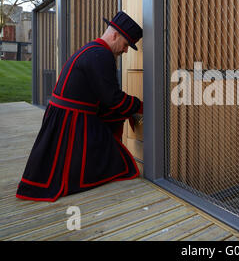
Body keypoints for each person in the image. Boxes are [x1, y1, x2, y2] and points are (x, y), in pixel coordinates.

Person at [16, 11, 144, 202]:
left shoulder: (93, 49)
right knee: (123, 163)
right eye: (126, 45)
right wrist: (141, 106)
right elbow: (113, 99)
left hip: (62, 117)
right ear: (115, 34)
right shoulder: (102, 55)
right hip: (71, 121)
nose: (125, 51)